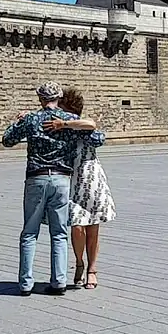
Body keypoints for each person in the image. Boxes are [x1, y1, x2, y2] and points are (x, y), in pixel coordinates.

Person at [2, 82, 105, 297]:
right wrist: (71, 125)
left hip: (36, 179)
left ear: (40, 98)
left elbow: (7, 140)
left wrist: (18, 121)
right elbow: (98, 138)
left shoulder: (31, 118)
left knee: (29, 232)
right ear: (58, 98)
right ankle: (59, 282)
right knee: (58, 233)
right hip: (61, 180)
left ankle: (25, 284)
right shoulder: (68, 120)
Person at [43, 88, 115, 290]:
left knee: (93, 227)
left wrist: (66, 124)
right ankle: (79, 262)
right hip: (70, 180)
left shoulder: (81, 127)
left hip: (91, 180)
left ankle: (92, 269)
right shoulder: (59, 129)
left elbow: (94, 130)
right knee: (76, 225)